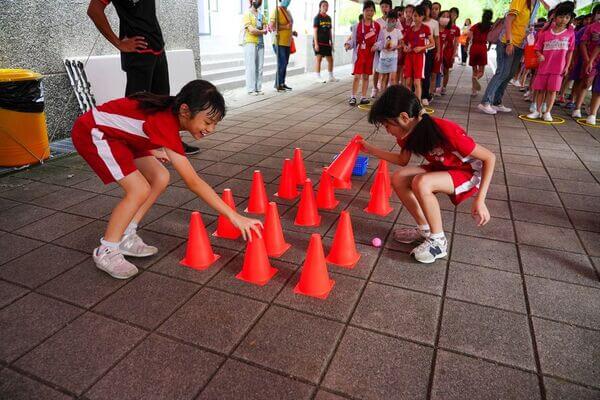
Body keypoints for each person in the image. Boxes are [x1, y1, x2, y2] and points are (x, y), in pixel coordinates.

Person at [70, 80, 263, 279]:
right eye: (207, 122)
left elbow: (136, 124)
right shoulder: (166, 121)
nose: (211, 129)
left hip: (120, 136)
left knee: (160, 176)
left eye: (215, 123)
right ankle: (107, 250)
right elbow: (193, 182)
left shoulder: (172, 112)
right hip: (94, 132)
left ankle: (126, 234)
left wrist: (153, 148)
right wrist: (234, 216)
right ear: (185, 111)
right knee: (138, 190)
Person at [360, 85, 495, 263]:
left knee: (422, 182)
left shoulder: (445, 130)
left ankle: (438, 241)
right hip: (444, 168)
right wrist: (369, 149)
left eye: (387, 125)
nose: (387, 130)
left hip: (468, 173)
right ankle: (425, 230)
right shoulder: (405, 134)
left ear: (404, 117)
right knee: (399, 177)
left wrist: (481, 200)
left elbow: (489, 158)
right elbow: (402, 161)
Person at [87, 0, 200, 155]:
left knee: (162, 101)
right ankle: (129, 148)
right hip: (138, 52)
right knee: (135, 104)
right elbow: (94, 10)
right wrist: (119, 43)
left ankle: (168, 141)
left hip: (157, 47)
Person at [478, 0, 548, 115]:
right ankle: (485, 102)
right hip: (508, 42)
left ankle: (496, 102)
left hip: (521, 44)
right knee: (502, 72)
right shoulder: (520, 1)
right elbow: (509, 20)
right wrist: (509, 42)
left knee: (510, 74)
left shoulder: (536, 4)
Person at [527, 2, 575, 122]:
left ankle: (547, 112)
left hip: (558, 68)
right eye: (561, 16)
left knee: (552, 90)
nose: (564, 20)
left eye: (567, 17)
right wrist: (539, 55)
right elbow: (537, 48)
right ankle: (537, 111)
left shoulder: (570, 33)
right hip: (544, 67)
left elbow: (570, 52)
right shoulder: (545, 32)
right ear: (555, 16)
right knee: (540, 89)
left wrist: (567, 66)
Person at [345, 0, 381, 106]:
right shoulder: (357, 26)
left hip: (370, 54)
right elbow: (353, 39)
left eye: (371, 10)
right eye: (367, 10)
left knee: (366, 76)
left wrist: (377, 45)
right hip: (360, 54)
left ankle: (363, 97)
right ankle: (353, 97)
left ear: (374, 12)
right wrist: (348, 44)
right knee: (357, 76)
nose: (369, 12)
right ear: (363, 11)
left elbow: (381, 41)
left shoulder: (377, 26)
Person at [572, 4, 599, 124]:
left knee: (598, 90)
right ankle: (577, 107)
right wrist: (588, 60)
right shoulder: (591, 27)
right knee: (586, 83)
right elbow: (582, 43)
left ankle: (592, 113)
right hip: (590, 59)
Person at [402, 5, 434, 105]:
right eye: (413, 16)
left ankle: (417, 103)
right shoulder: (410, 29)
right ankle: (407, 102)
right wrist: (405, 47)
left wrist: (421, 48)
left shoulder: (426, 28)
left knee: (417, 82)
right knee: (407, 82)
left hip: (419, 57)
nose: (414, 18)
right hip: (409, 57)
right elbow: (403, 41)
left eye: (416, 16)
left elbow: (432, 43)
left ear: (422, 17)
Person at [270, 0, 296, 92]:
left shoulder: (288, 11)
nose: (288, 1)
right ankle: (278, 84)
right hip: (279, 42)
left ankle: (282, 83)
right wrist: (285, 27)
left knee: (285, 64)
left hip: (287, 42)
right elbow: (271, 26)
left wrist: (292, 32)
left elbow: (289, 26)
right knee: (282, 63)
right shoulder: (276, 10)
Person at [243, 0, 267, 96]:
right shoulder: (247, 14)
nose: (257, 1)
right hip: (250, 43)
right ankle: (251, 89)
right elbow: (252, 30)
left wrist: (262, 30)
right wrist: (262, 31)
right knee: (251, 67)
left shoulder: (261, 15)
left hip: (260, 43)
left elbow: (265, 27)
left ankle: (258, 88)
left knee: (259, 67)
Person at [375, 10, 403, 91]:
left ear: (396, 21)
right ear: (386, 19)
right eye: (390, 20)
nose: (391, 22)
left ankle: (392, 96)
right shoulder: (382, 31)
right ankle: (383, 96)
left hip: (393, 57)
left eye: (393, 20)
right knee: (384, 77)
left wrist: (395, 47)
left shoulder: (398, 31)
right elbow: (378, 43)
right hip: (383, 57)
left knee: (393, 79)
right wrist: (383, 47)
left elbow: (401, 44)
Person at [468, 10, 493, 97]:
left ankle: (474, 91)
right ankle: (476, 78)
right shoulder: (490, 27)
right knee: (481, 71)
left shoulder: (476, 25)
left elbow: (469, 35)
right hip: (482, 48)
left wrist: (466, 45)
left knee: (474, 71)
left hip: (474, 47)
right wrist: (489, 46)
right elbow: (491, 38)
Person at [372, 0, 393, 98]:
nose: (384, 9)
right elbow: (374, 35)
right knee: (376, 70)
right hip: (379, 49)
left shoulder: (393, 20)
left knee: (387, 71)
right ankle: (375, 88)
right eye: (382, 6)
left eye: (386, 6)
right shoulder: (377, 21)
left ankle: (384, 90)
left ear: (390, 8)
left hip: (389, 50)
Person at [420, 0, 440, 106]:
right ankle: (417, 94)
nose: (425, 11)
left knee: (427, 73)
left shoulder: (434, 23)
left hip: (430, 51)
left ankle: (425, 95)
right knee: (418, 74)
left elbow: (437, 39)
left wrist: (438, 51)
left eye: (427, 9)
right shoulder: (417, 20)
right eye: (423, 8)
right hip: (418, 51)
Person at [313, 0, 338, 83]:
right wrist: (316, 44)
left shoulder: (328, 18)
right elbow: (315, 31)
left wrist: (331, 42)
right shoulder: (317, 18)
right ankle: (317, 76)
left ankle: (331, 76)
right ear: (320, 7)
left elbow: (330, 31)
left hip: (327, 42)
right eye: (323, 6)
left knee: (330, 59)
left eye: (327, 6)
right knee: (319, 59)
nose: (325, 7)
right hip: (319, 42)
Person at [439, 10, 461, 94]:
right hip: (440, 50)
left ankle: (443, 87)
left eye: (455, 14)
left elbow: (456, 42)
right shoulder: (441, 26)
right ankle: (436, 86)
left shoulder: (456, 29)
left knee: (446, 70)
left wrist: (454, 54)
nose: (452, 15)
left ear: (457, 16)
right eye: (451, 14)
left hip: (449, 51)